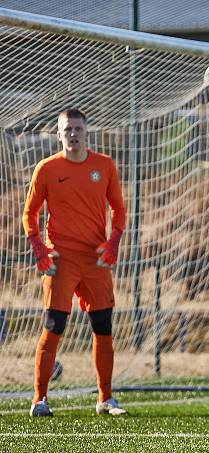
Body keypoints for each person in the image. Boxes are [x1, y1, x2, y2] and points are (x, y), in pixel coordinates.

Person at [23, 108, 127, 417]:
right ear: (58, 134)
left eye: (78, 129)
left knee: (103, 326)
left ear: (86, 132)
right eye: (67, 129)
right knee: (54, 325)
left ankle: (105, 399)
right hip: (61, 260)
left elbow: (119, 210)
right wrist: (40, 250)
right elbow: (29, 214)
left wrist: (113, 244)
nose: (73, 134)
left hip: (95, 259)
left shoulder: (105, 166)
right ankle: (39, 400)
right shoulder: (46, 169)